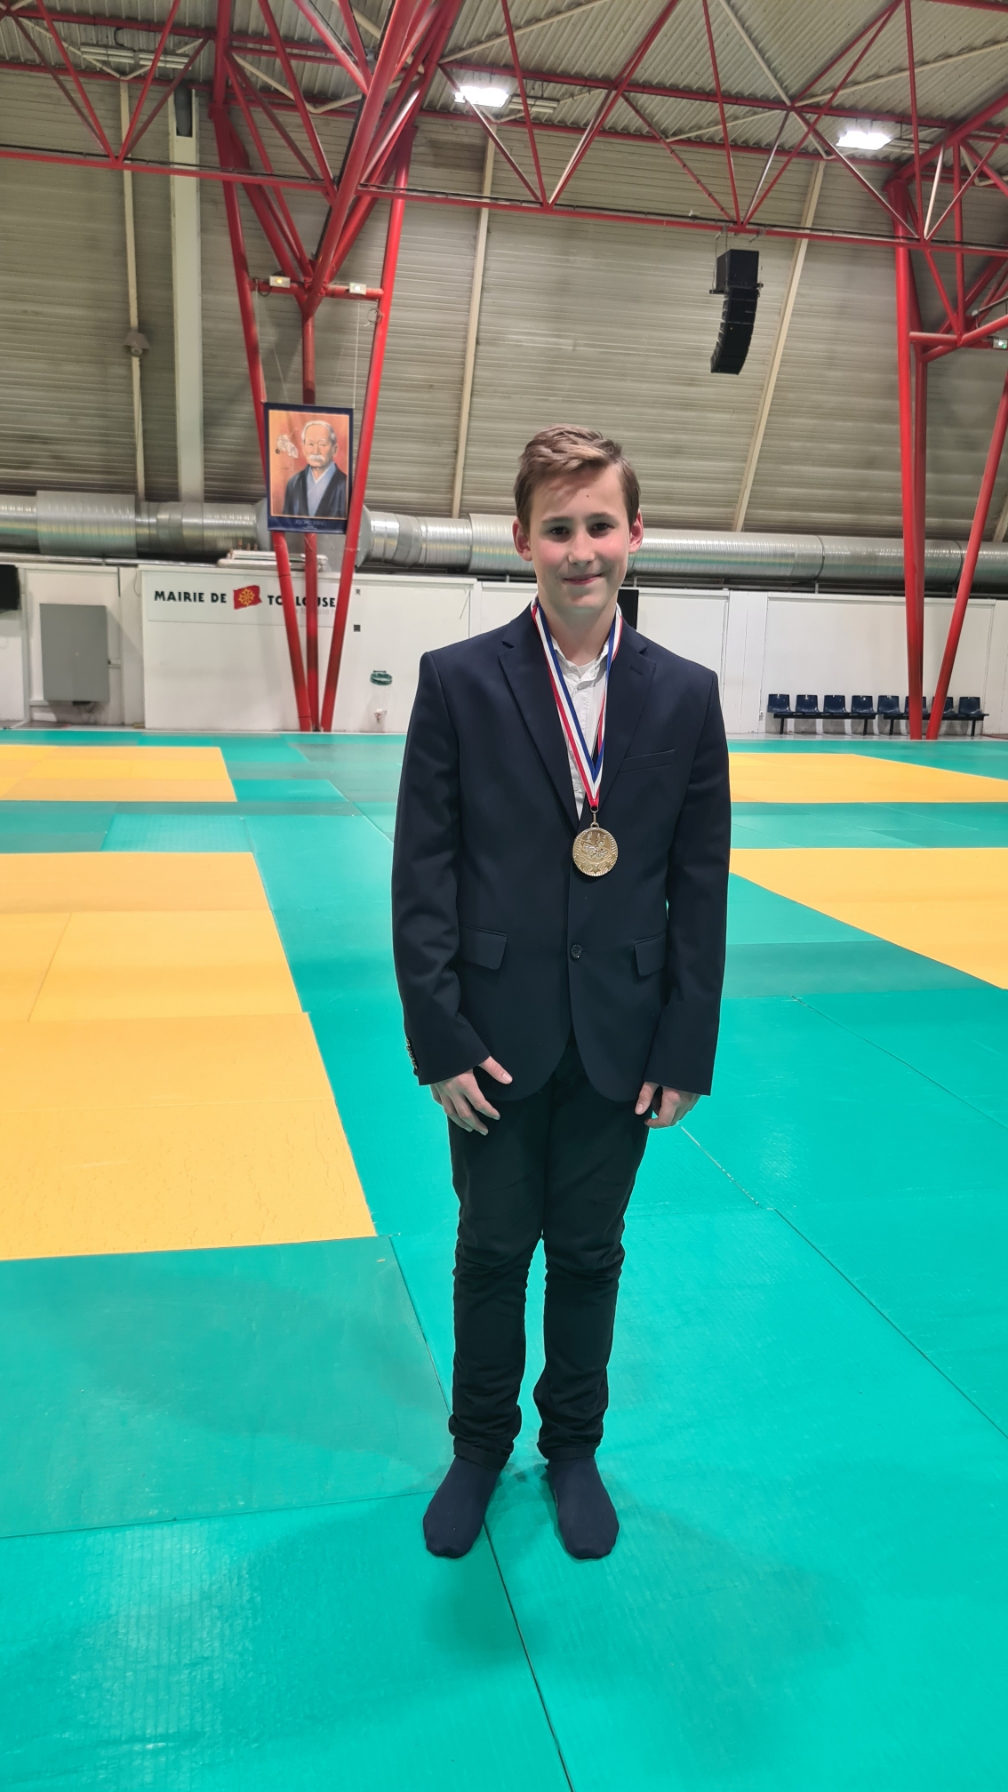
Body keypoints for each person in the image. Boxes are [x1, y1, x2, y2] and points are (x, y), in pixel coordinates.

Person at [391, 425, 731, 1562]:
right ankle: (478, 1446)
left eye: (600, 525)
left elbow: (700, 885)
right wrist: (438, 1035)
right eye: (558, 529)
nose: (581, 550)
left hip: (621, 1038)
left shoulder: (685, 695)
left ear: (635, 534)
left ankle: (573, 1447)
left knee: (589, 1251)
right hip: (492, 1035)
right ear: (522, 539)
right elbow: (423, 870)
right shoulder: (460, 681)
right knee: (491, 1249)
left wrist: (684, 1045)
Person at [280, 420, 347, 521]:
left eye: (322, 444)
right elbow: (285, 523)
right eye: (310, 444)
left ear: (335, 449)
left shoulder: (345, 485)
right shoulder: (294, 483)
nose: (315, 451)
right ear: (303, 448)